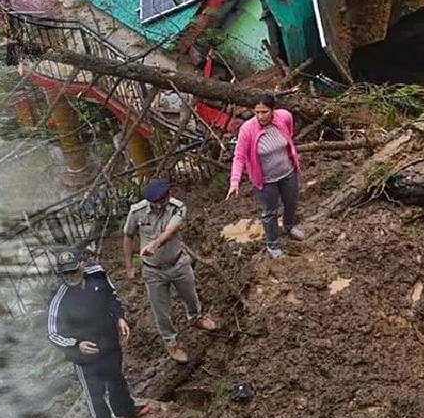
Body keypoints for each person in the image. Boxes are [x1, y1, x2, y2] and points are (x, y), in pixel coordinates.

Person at [47, 248, 150, 418]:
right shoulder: (58, 296)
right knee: (96, 397)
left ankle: (124, 410)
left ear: (82, 265)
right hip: (84, 357)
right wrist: (76, 344)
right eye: (65, 274)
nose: (70, 277)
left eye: (73, 271)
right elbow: (52, 333)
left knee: (117, 379)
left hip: (109, 342)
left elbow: (112, 297)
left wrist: (120, 317)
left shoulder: (98, 274)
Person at [122, 178, 218, 365]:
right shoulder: (137, 211)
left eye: (161, 201)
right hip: (153, 270)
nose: (158, 205)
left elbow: (172, 229)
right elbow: (128, 236)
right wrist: (129, 266)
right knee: (161, 310)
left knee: (190, 295)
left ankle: (196, 317)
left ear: (168, 196)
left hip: (178, 262)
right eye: (154, 202)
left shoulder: (177, 207)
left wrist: (155, 244)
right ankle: (171, 342)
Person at [226, 94, 303, 259]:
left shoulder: (284, 117)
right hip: (266, 180)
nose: (260, 116)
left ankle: (289, 227)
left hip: (287, 172)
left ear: (272, 110)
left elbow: (288, 136)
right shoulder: (247, 130)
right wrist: (234, 182)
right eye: (257, 112)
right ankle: (273, 245)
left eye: (265, 112)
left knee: (291, 202)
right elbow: (239, 157)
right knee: (269, 212)